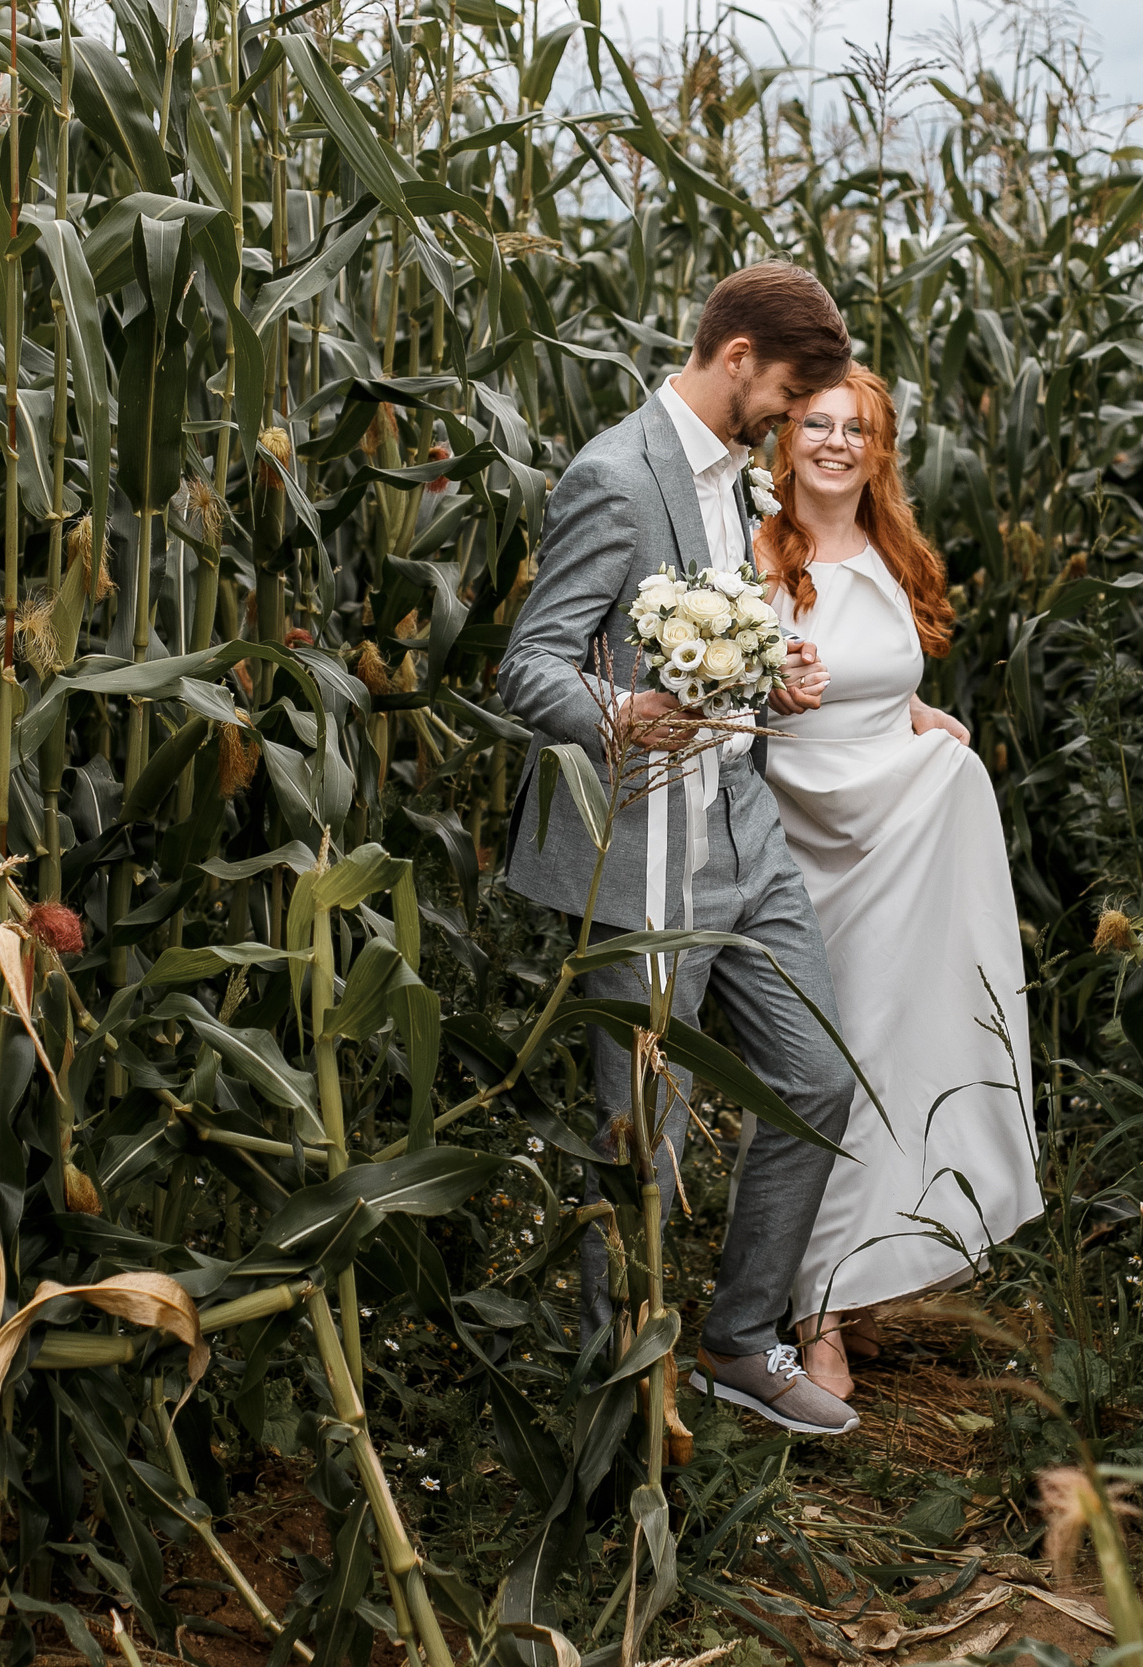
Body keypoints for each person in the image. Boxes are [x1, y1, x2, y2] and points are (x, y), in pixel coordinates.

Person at [496, 262, 863, 1435]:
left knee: (811, 1082)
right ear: (739, 354)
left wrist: (774, 680)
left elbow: (714, 651)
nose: (789, 421)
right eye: (787, 394)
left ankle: (735, 1342)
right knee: (639, 1141)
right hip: (643, 848)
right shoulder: (616, 476)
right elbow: (532, 662)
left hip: (743, 833)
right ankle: (623, 1398)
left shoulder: (739, 489)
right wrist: (618, 714)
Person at [755, 365, 1042, 1399]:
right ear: (784, 437)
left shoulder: (893, 554)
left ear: (878, 450)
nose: (834, 443)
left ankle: (850, 1284)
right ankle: (812, 1308)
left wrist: (910, 719)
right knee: (831, 1058)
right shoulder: (751, 553)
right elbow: (712, 686)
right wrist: (763, 684)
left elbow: (879, 677)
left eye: (856, 429)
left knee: (898, 1048)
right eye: (815, 424)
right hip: (804, 842)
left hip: (907, 833)